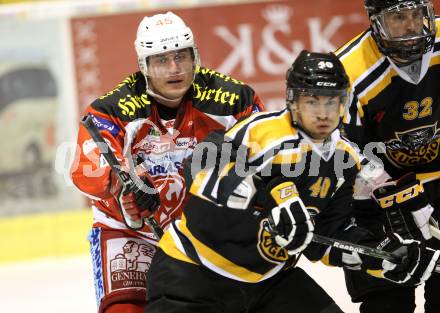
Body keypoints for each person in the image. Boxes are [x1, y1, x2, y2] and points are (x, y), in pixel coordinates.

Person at [144, 50, 439, 313]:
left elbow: (328, 235)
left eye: (332, 101)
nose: (323, 113)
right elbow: (199, 168)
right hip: (195, 275)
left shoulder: (346, 157)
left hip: (271, 282)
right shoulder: (263, 132)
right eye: (312, 102)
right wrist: (267, 194)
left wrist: (381, 256)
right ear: (293, 102)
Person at [70, 11, 265, 313]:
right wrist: (125, 188)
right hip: (133, 232)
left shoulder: (232, 99)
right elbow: (87, 167)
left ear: (194, 56)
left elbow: (266, 154)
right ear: (143, 66)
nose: (175, 69)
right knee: (124, 309)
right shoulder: (113, 109)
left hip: (205, 231)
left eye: (181, 57)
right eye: (162, 60)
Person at [334, 0, 440, 312]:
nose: (411, 26)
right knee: (387, 304)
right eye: (398, 18)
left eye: (417, 15)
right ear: (374, 21)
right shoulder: (349, 70)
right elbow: (337, 149)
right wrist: (398, 194)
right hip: (375, 202)